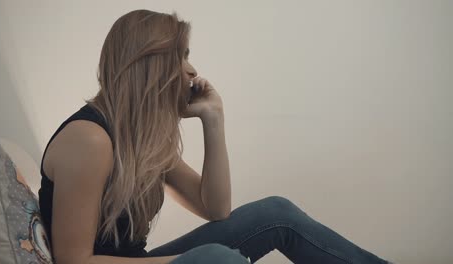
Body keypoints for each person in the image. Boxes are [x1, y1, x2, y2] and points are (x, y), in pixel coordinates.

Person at [38, 9, 394, 264]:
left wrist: (214, 119)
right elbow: (74, 260)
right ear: (150, 66)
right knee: (217, 259)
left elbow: (216, 209)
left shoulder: (138, 139)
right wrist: (190, 260)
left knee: (275, 212)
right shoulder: (90, 139)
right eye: (181, 57)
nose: (192, 70)